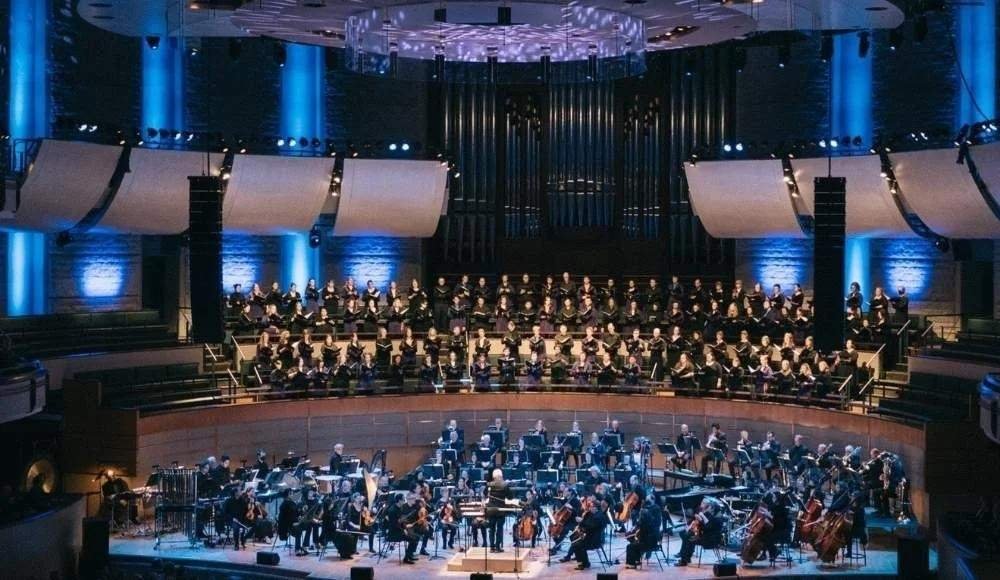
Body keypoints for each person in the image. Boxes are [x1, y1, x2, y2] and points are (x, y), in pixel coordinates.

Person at [675, 499, 725, 567]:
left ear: (713, 508)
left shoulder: (717, 518)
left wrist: (701, 520)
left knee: (689, 539)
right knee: (688, 536)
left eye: (710, 507)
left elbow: (707, 527)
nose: (709, 509)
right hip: (707, 536)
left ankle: (684, 560)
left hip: (711, 539)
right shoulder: (714, 516)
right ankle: (685, 558)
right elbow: (706, 527)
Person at [626, 494, 663, 568]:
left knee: (630, 546)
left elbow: (642, 527)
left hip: (649, 542)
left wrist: (635, 531)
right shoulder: (649, 515)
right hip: (652, 538)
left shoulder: (653, 510)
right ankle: (637, 559)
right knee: (633, 540)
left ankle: (632, 564)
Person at [487, 469, 510, 552]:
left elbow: (484, 493)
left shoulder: (489, 484)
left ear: (493, 477)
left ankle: (492, 547)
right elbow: (510, 497)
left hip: (491, 510)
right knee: (499, 529)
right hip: (500, 511)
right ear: (501, 476)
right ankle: (497, 547)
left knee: (491, 529)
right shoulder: (505, 485)